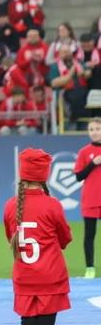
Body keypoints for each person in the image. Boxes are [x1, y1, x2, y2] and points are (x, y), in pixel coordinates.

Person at [4, 148, 72, 325]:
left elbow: (10, 238)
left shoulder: (11, 205)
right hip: (50, 277)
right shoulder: (52, 205)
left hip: (24, 277)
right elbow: (65, 239)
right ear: (45, 176)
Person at [74, 117, 101, 279]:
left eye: (97, 129)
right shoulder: (84, 152)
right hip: (91, 199)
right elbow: (79, 176)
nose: (94, 132)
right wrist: (93, 163)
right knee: (89, 235)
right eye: (91, 129)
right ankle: (90, 267)